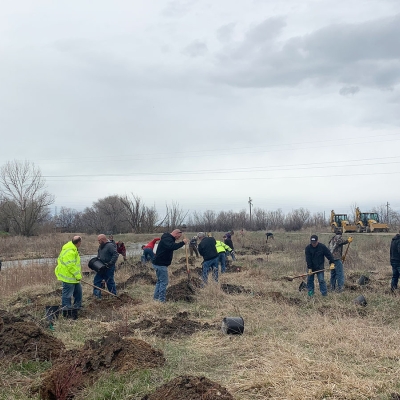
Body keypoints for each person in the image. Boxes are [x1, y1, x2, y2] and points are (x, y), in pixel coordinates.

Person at [152, 229, 187, 302]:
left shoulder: (168, 238)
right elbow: (172, 246)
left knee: (160, 281)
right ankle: (161, 300)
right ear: (176, 233)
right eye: (179, 236)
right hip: (160, 264)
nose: (178, 238)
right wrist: (182, 243)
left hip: (159, 263)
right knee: (164, 282)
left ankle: (156, 298)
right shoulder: (167, 239)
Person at [55, 236, 83, 312]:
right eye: (80, 242)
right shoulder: (70, 251)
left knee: (78, 292)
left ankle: (77, 306)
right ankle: (66, 309)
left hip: (74, 277)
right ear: (78, 242)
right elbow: (71, 266)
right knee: (67, 294)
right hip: (69, 277)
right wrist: (78, 275)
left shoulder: (73, 248)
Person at [93, 234, 119, 298]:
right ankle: (97, 296)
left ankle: (113, 295)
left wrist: (110, 263)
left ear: (103, 239)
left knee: (109, 281)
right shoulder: (100, 247)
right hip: (101, 267)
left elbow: (115, 255)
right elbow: (98, 256)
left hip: (109, 267)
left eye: (99, 240)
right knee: (96, 280)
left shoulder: (110, 245)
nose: (98, 242)